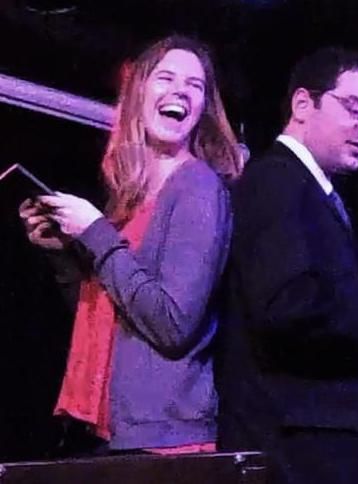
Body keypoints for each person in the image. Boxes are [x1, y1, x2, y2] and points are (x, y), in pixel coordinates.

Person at [216, 47, 358, 484]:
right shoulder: (276, 180)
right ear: (303, 104)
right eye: (355, 108)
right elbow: (289, 309)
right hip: (305, 455)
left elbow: (311, 296)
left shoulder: (308, 187)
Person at [19, 34, 242, 455]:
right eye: (166, 78)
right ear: (139, 92)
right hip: (110, 431)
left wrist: (96, 232)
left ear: (203, 108)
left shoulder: (197, 187)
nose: (180, 91)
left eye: (194, 85)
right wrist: (63, 255)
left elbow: (172, 324)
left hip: (164, 440)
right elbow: (109, 316)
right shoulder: (130, 198)